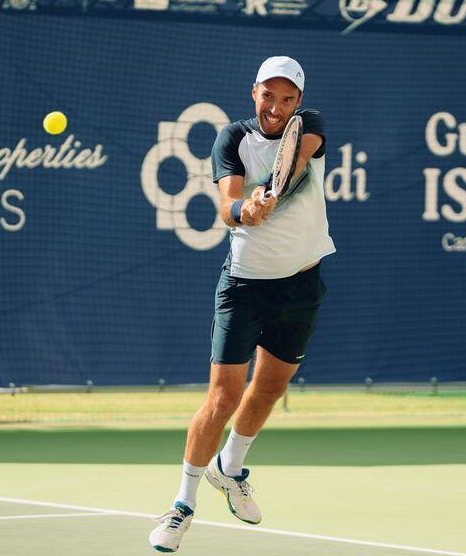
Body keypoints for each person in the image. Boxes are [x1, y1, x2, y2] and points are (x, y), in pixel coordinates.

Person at [149, 55, 335, 553]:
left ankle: (230, 469)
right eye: (268, 95)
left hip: (300, 284)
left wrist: (273, 192)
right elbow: (227, 204)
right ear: (254, 92)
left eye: (287, 98)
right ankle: (182, 505)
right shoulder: (231, 137)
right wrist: (243, 209)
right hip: (245, 286)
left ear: (298, 100)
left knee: (270, 388)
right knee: (223, 397)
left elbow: (295, 163)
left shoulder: (309, 124)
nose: (277, 107)